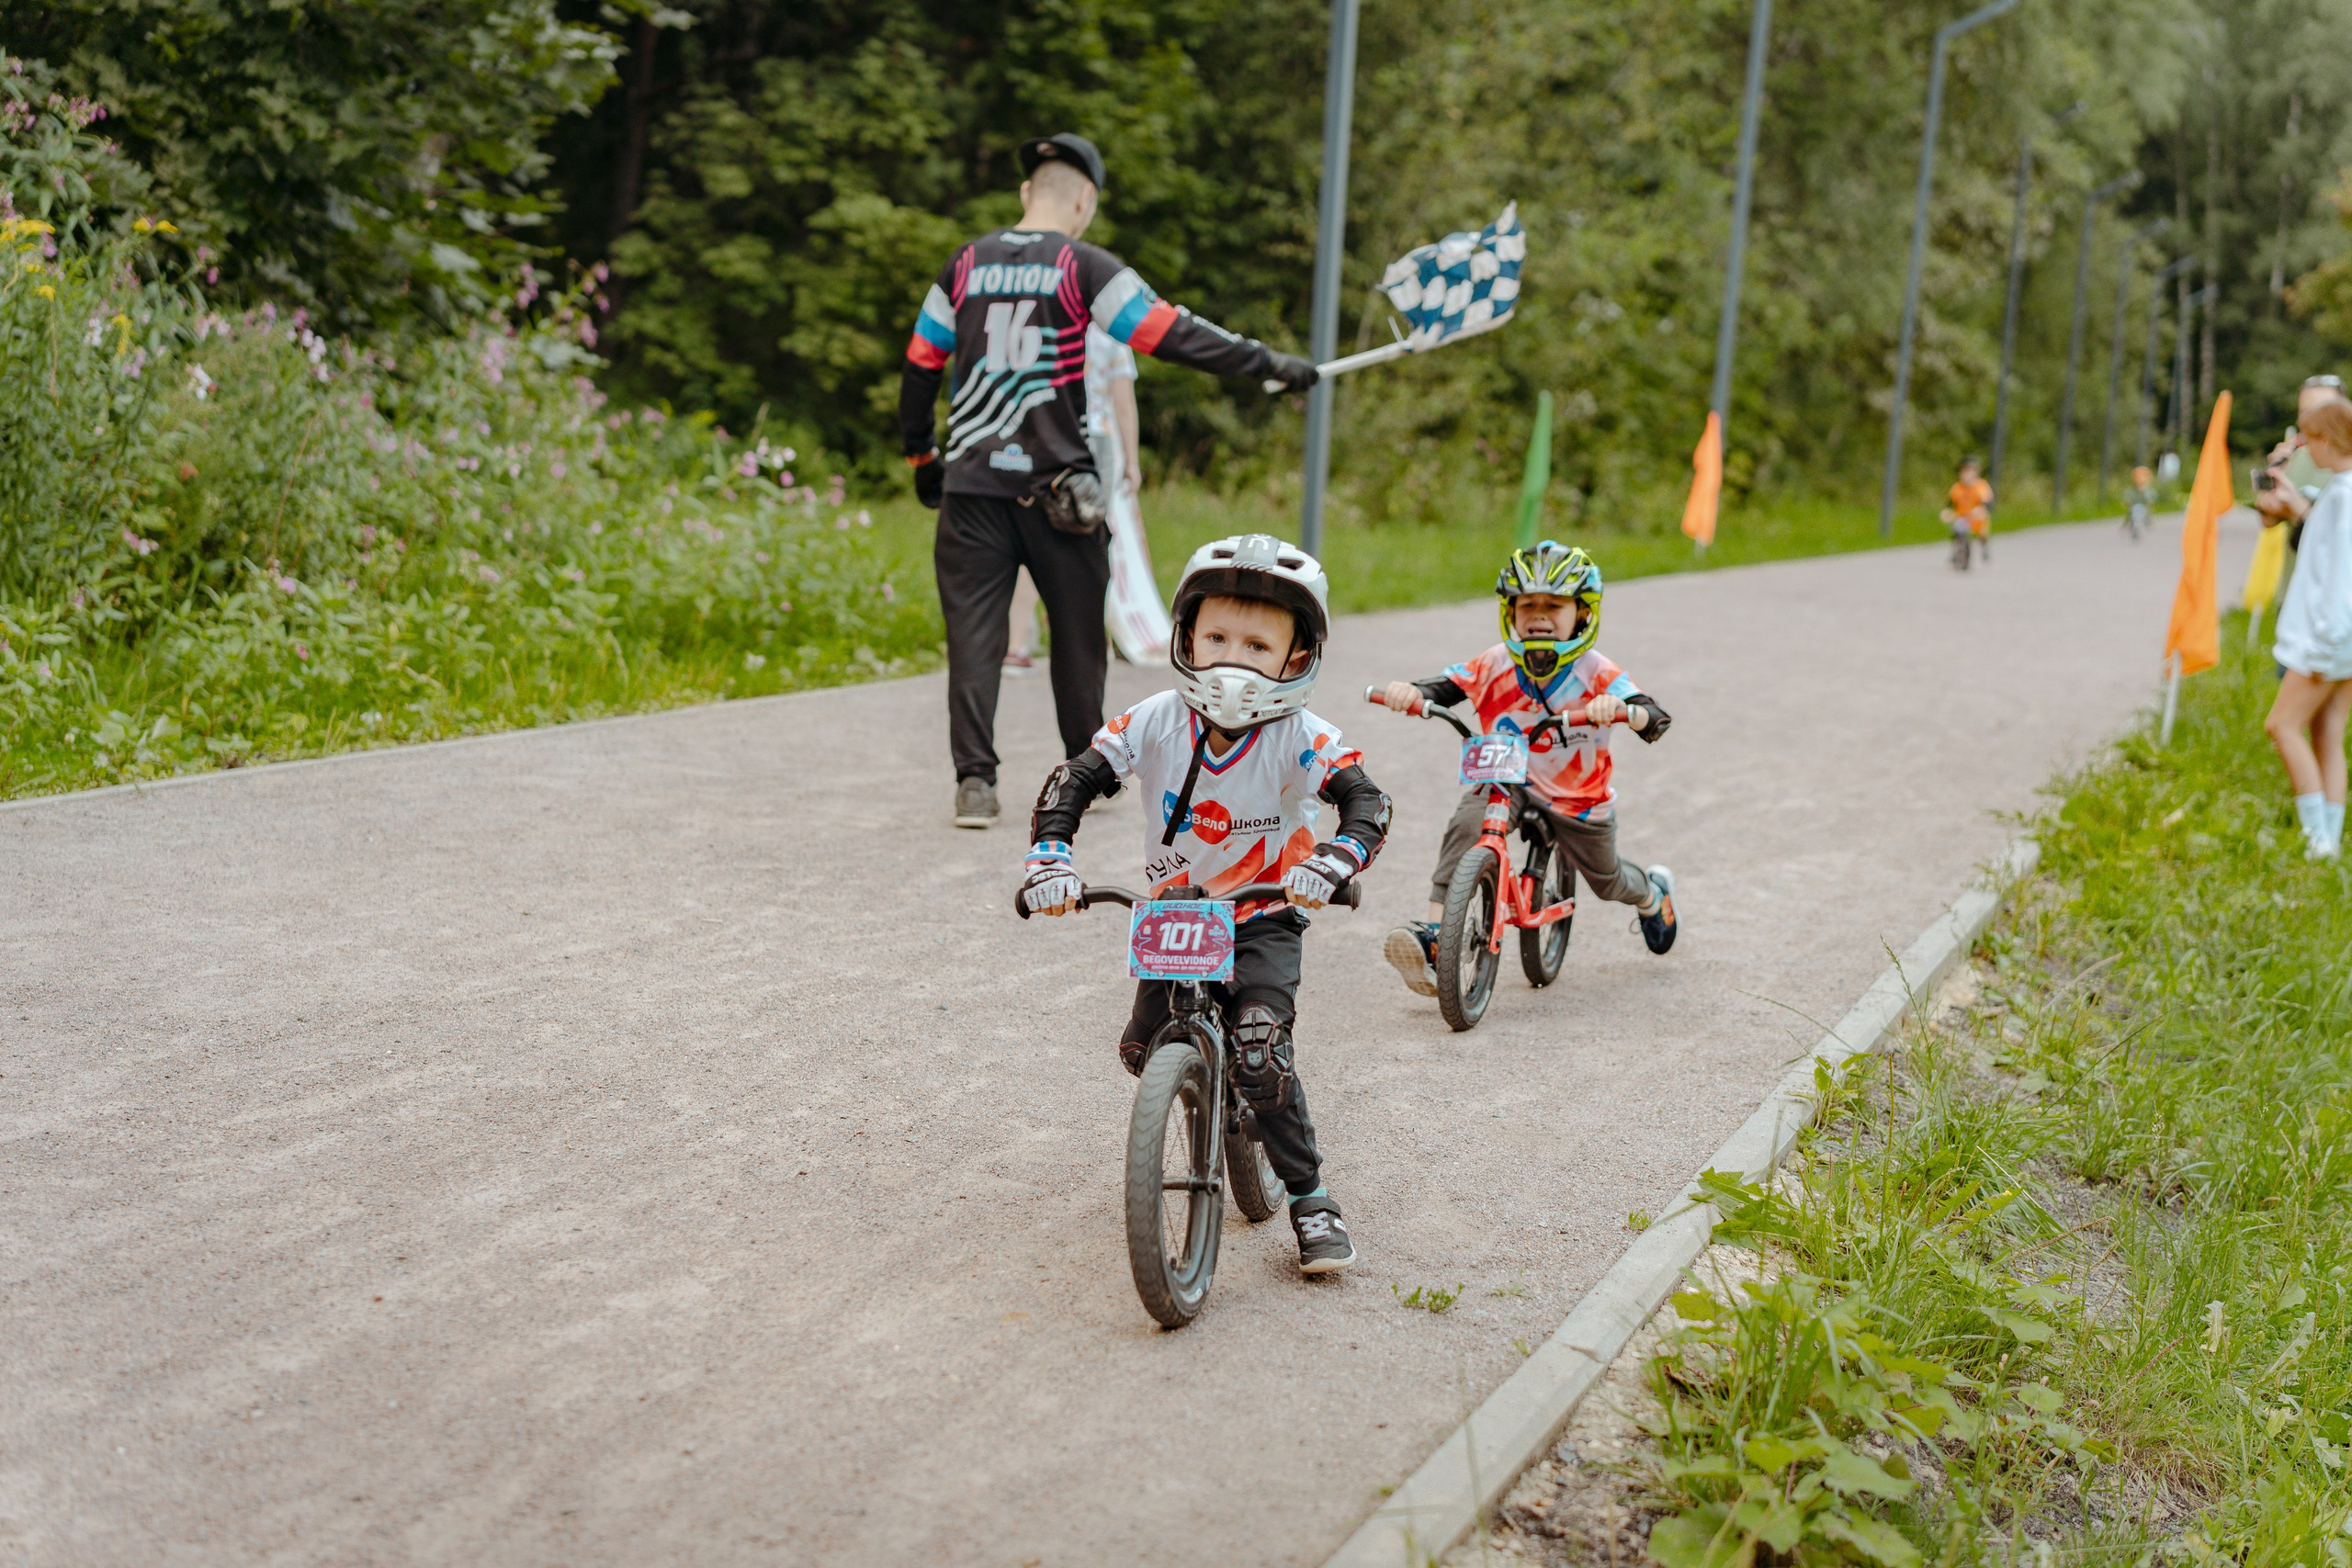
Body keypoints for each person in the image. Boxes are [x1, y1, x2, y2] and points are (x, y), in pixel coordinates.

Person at [899, 132, 1317, 829]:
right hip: (1060, 492)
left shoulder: (963, 265)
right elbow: (1171, 333)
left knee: (973, 637)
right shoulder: (1085, 266)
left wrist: (921, 457)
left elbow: (919, 365)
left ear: (1027, 192)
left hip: (973, 490)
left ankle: (975, 783)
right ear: (1085, 200)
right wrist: (1268, 361)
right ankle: (1080, 770)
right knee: (1077, 635)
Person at [1019, 535, 1391, 1273]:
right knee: (1140, 1050)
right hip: (1177, 913)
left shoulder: (1300, 734)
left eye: (1256, 644)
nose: (1231, 658)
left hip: (1265, 910)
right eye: (1216, 636)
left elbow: (1365, 799)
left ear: (1295, 658)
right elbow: (1078, 778)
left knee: (1261, 1051)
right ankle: (1203, 1082)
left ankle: (1312, 1201)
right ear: (1186, 636)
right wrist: (1050, 857)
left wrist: (1336, 857)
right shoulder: (1157, 717)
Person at [1374, 541, 1676, 998]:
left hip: (1577, 798)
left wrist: (1624, 709)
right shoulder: (1495, 662)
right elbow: (1446, 686)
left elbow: (1652, 716)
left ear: (1582, 613)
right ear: (1510, 612)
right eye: (1527, 604)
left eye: (1554, 604)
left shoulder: (1596, 672)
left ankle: (1654, 896)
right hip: (1508, 776)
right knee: (1467, 824)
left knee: (1607, 880)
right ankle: (1437, 938)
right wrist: (1410, 693)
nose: (1539, 613)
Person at [1005, 321, 1157, 671]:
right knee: (1087, 541)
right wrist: (1131, 460)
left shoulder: (1043, 322)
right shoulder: (1113, 337)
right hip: (1094, 442)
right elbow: (1122, 405)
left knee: (1032, 538)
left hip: (1042, 440)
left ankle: (1016, 645)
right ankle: (1090, 641)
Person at [2259, 399, 2352, 859]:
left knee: (2282, 725)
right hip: (2339, 642)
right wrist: (2298, 507)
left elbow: (2342, 577)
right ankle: (2328, 839)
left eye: (2309, 439)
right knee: (2327, 734)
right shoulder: (2340, 490)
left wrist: (2326, 642)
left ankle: (2316, 838)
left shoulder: (2345, 495)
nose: (2305, 451)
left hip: (2328, 641)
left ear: (2329, 439)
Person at [1941, 457, 1994, 568]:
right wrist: (1946, 512)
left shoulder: (1981, 486)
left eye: (1970, 472)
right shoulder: (1957, 488)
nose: (1967, 475)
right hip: (1962, 516)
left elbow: (1987, 502)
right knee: (1957, 531)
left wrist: (1981, 509)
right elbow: (1950, 503)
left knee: (1982, 533)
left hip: (1976, 516)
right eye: (1964, 472)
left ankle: (1984, 547)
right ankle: (1956, 552)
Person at [2124, 465, 2156, 538]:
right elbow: (2128, 496)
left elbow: (2150, 498)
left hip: (2143, 507)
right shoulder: (2132, 489)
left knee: (2145, 514)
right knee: (2131, 514)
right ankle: (2130, 525)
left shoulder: (2148, 490)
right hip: (2135, 507)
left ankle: (2147, 521)